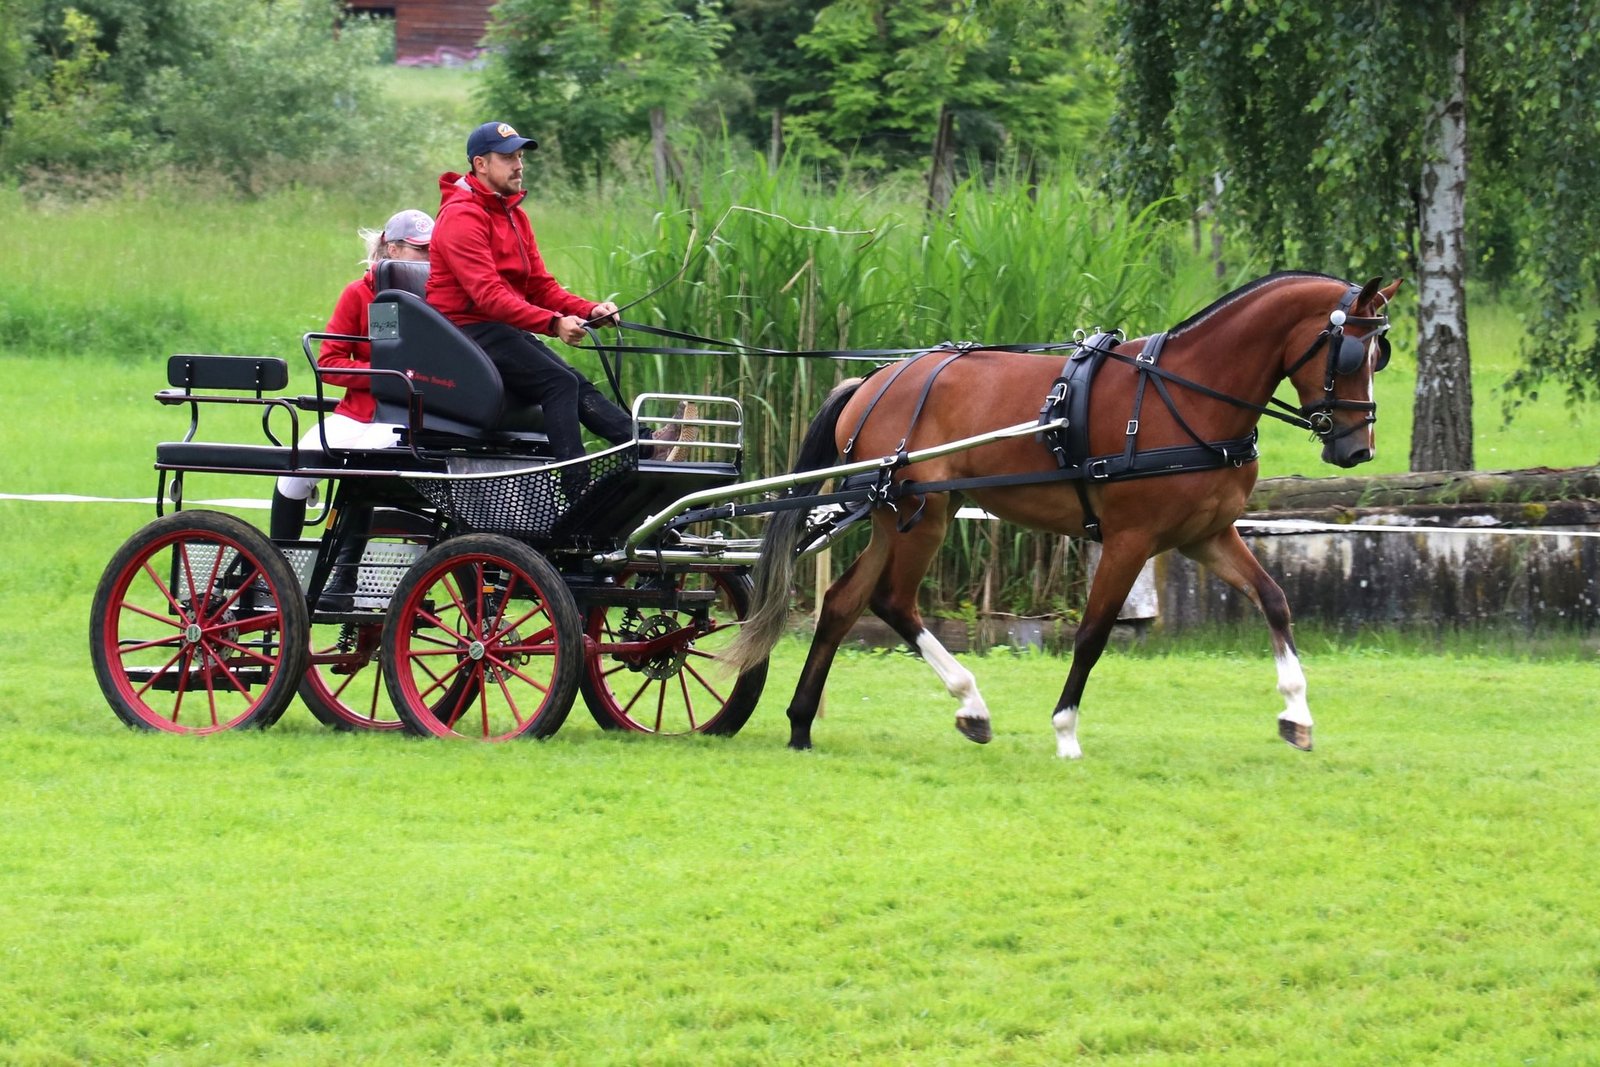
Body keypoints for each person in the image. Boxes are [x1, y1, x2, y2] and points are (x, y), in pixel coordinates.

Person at [427, 121, 680, 464]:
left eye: (520, 156)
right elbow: (488, 295)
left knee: (574, 381)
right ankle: (576, 484)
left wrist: (590, 310)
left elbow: (539, 286)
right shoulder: (461, 216)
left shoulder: (514, 215)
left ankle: (645, 446)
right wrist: (554, 323)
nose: (519, 165)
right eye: (508, 157)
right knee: (558, 383)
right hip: (462, 330)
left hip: (498, 327)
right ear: (480, 164)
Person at [269, 208, 433, 608]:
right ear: (392, 249)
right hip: (356, 414)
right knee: (292, 474)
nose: (428, 258)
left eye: (432, 250)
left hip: (405, 417)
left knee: (361, 474)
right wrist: (383, 376)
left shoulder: (439, 297)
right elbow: (330, 362)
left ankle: (344, 576)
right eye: (420, 250)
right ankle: (278, 571)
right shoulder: (359, 294)